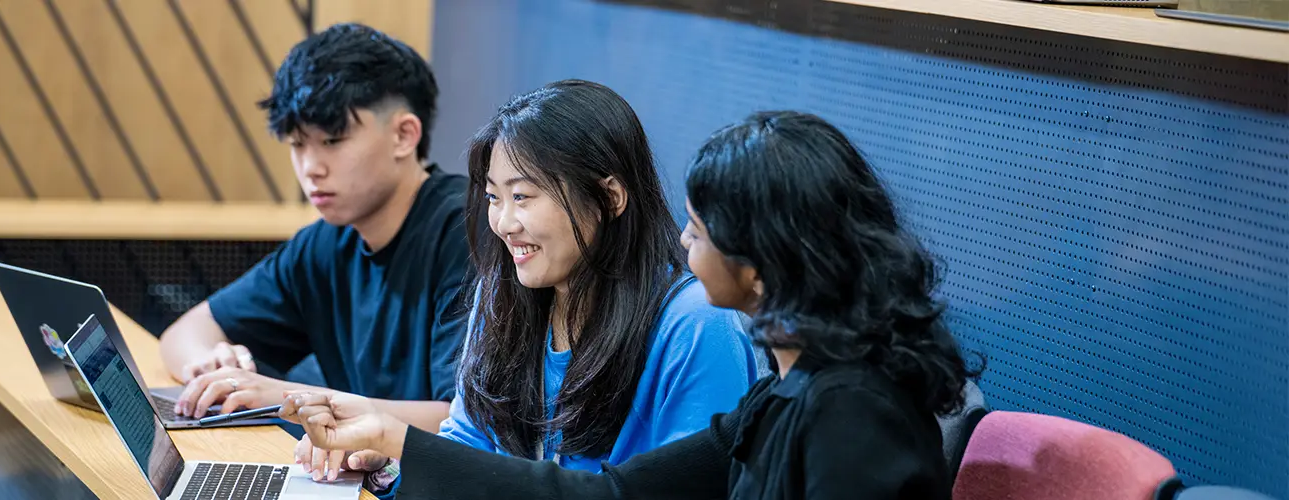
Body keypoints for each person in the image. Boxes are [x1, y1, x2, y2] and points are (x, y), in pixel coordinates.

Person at [280, 111, 979, 499]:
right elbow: (612, 498)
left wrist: (402, 444)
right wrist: (399, 455)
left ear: (765, 260)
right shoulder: (790, 394)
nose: (682, 241)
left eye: (700, 231)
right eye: (496, 199)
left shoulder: (852, 412)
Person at [296, 80, 764, 495]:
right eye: (493, 198)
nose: (502, 223)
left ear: (610, 197)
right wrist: (391, 464)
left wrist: (400, 441)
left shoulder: (696, 324)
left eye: (522, 197)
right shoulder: (502, 295)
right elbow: (471, 444)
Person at [158, 23, 465, 432]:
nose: (310, 168)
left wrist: (290, 399)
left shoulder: (469, 230)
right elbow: (185, 332)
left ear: (404, 136)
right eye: (298, 144)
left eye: (333, 141)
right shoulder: (325, 242)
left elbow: (463, 426)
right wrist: (212, 364)